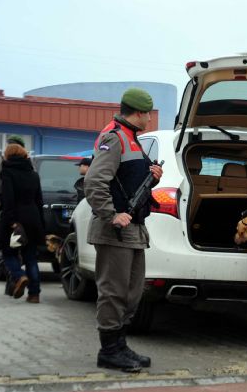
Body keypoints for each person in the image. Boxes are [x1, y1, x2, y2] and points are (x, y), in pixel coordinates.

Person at [84, 88, 163, 373]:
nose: (150, 121)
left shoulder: (133, 140)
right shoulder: (114, 138)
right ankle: (109, 350)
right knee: (114, 291)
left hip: (133, 231)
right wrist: (111, 214)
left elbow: (126, 182)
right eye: (149, 115)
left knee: (131, 292)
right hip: (114, 230)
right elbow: (94, 182)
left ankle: (119, 344)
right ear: (139, 113)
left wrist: (150, 178)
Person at [0, 142, 45, 303]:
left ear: (8, 155)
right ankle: (34, 294)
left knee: (8, 252)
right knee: (31, 257)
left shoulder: (7, 172)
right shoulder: (34, 174)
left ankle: (19, 276)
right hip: (33, 218)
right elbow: (39, 200)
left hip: (15, 218)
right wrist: (41, 224)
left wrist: (11, 221)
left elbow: (8, 199)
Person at [0, 135, 26, 288]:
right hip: (22, 213)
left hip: (0, 211)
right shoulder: (28, 164)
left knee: (0, 247)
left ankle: (17, 275)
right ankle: (14, 283)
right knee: (16, 247)